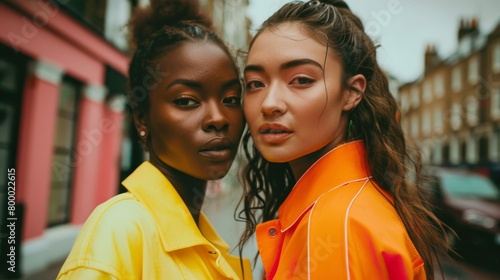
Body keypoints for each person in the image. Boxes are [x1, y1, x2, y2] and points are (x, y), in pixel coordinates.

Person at [238, 0, 451, 279]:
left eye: (301, 80)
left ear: (351, 92)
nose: (269, 103)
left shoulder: (337, 225)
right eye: (256, 83)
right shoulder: (351, 203)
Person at [57, 0, 251, 279]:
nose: (219, 118)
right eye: (186, 100)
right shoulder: (119, 232)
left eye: (231, 99)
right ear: (142, 120)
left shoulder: (204, 235)